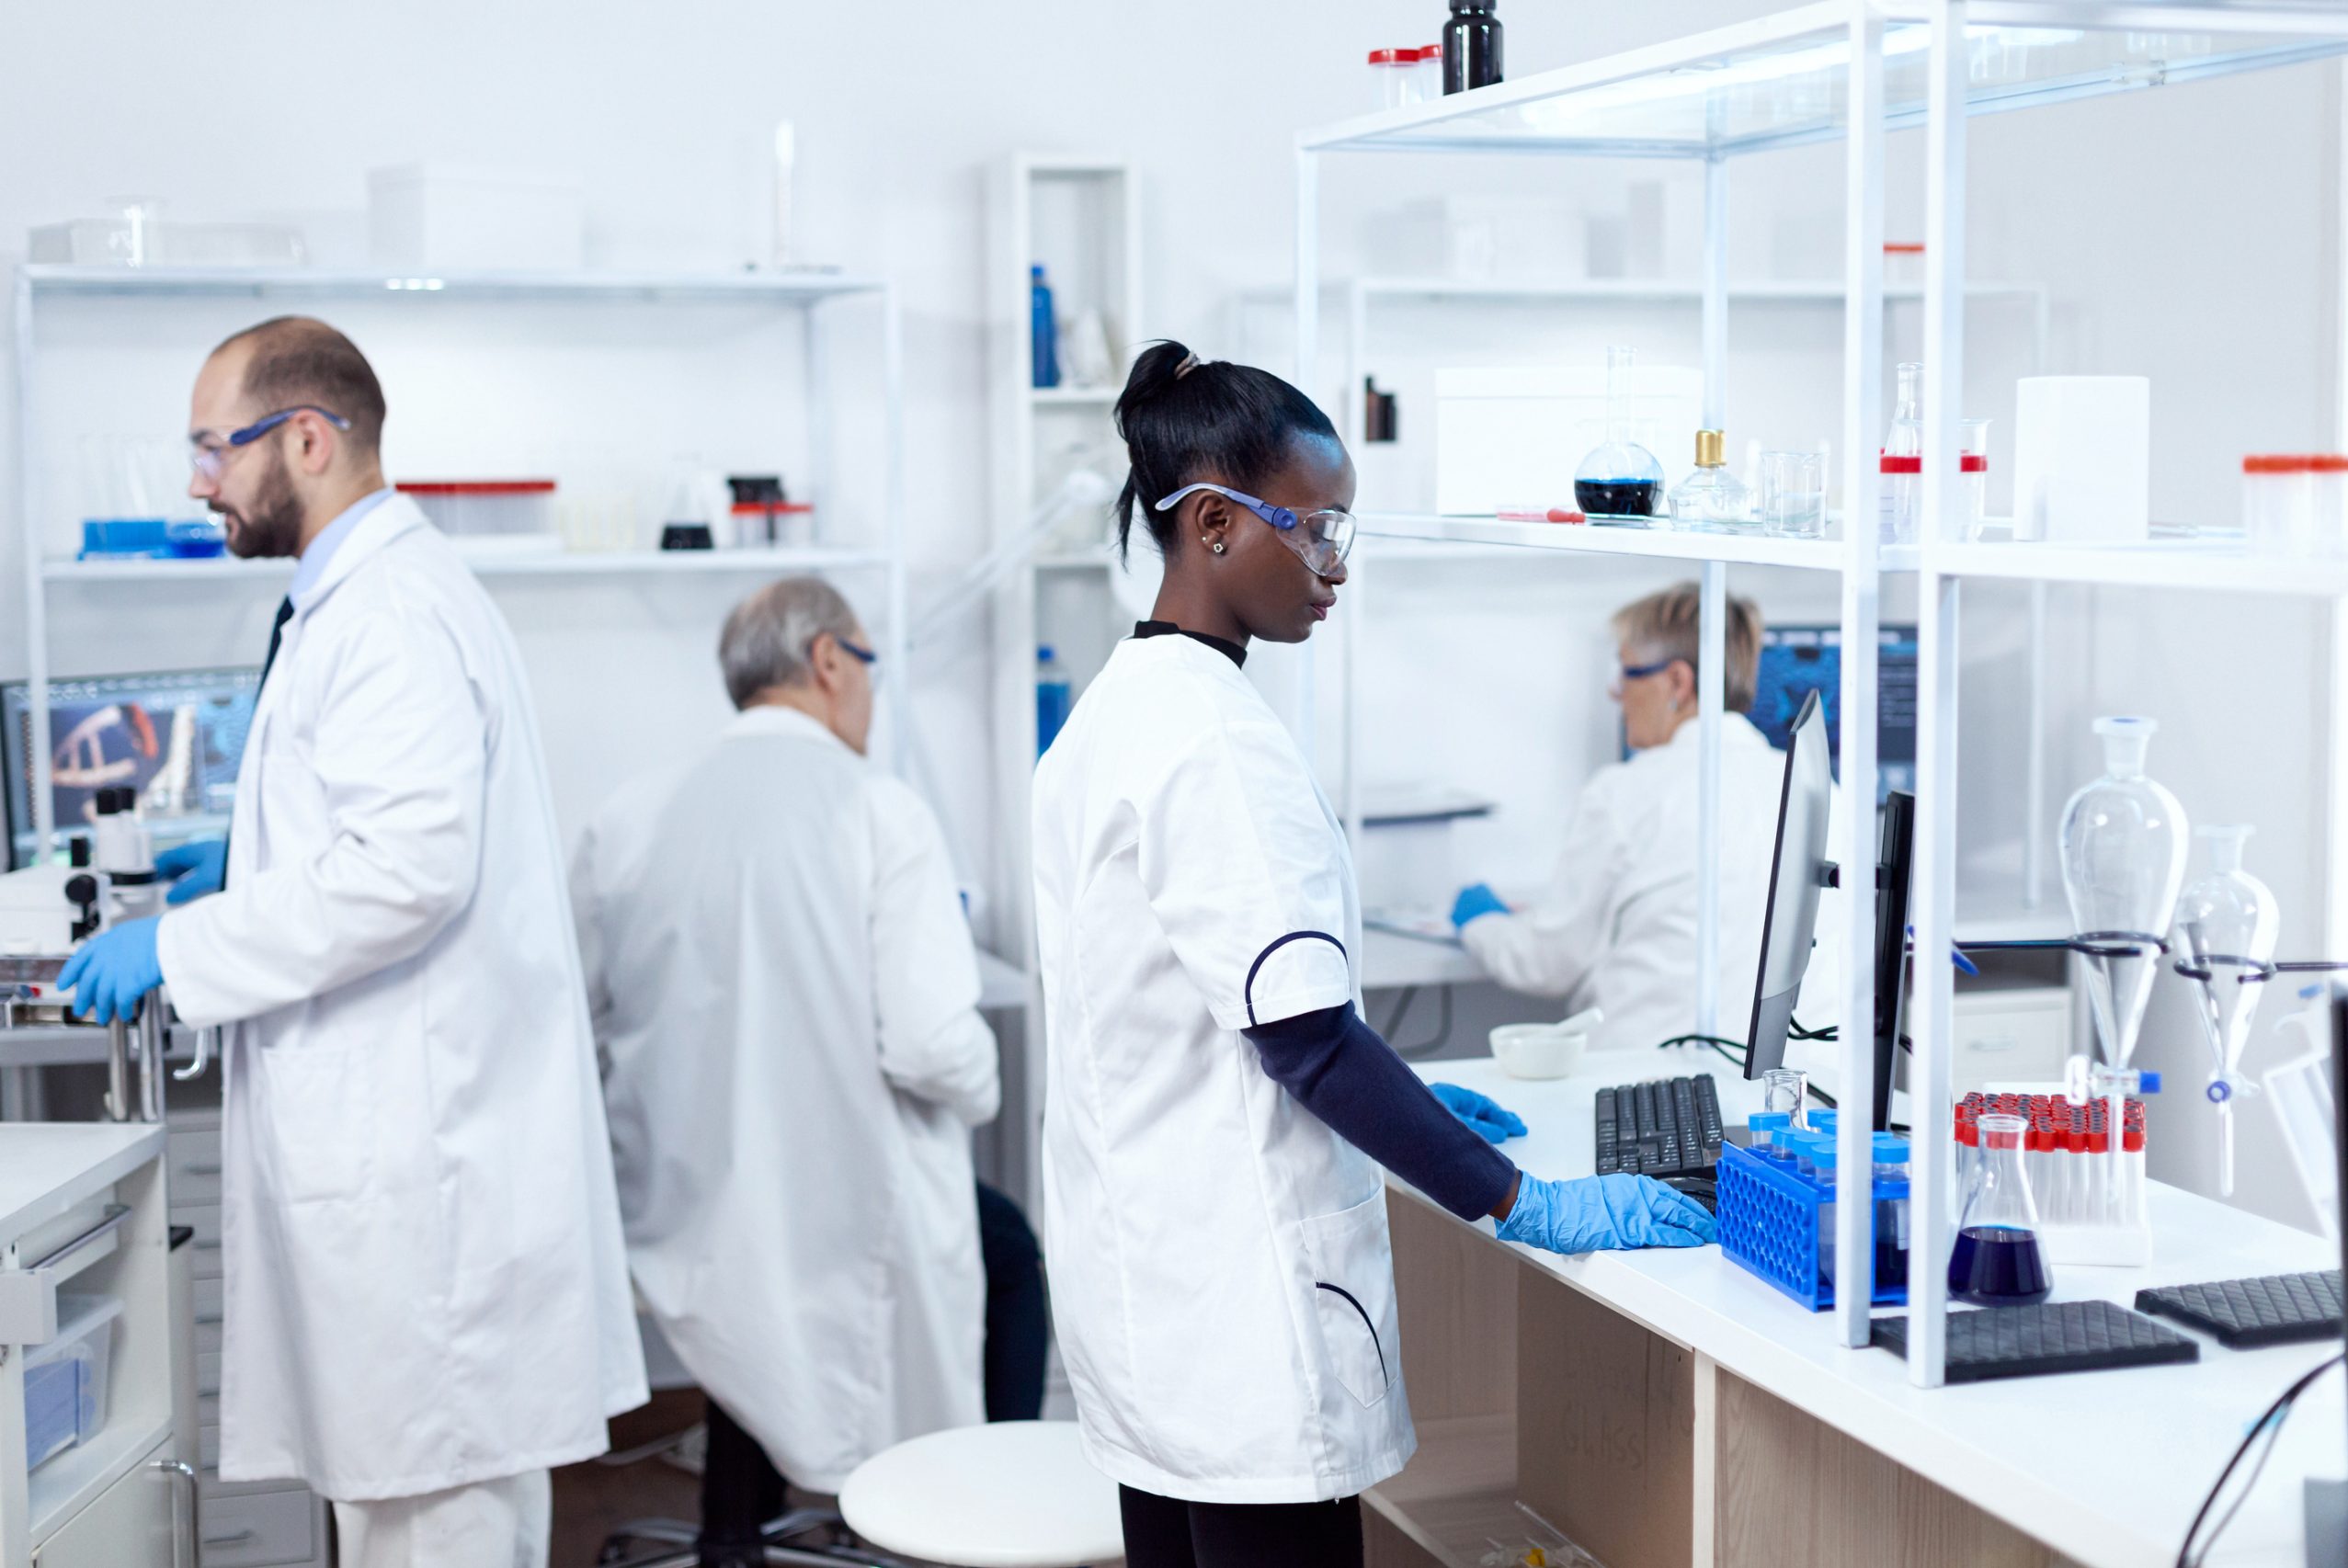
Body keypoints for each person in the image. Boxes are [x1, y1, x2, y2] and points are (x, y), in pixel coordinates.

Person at [1030, 343, 1715, 1568]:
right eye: (1316, 529)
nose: (1335, 567)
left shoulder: (1117, 709)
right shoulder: (1215, 740)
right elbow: (1307, 1043)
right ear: (1215, 524)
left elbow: (1212, 1012)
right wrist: (1524, 1200)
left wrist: (1409, 1105)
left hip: (1151, 1285)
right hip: (1237, 1311)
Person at [58, 317, 646, 1568]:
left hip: (427, 1201)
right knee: (419, 1519)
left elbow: (403, 872)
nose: (199, 481)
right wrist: (242, 865)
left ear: (309, 439)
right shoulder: (360, 600)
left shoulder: (388, 614)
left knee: (436, 1526)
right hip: (409, 1181)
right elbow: (381, 831)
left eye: (215, 447)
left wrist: (182, 942)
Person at [571, 577, 1044, 1568]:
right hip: (829, 1216)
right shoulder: (877, 809)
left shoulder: (626, 816)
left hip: (672, 1214)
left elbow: (581, 1019)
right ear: (830, 660)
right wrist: (985, 1087)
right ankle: (998, 1526)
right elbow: (931, 1046)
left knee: (750, 1287)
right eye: (870, 663)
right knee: (1010, 1251)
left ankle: (732, 1536)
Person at [1449, 584, 1789, 1052]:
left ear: (1677, 682)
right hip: (1790, 1082)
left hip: (1651, 1073)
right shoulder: (1813, 788)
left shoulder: (1625, 792)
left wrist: (1480, 921)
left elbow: (1546, 964)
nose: (1616, 692)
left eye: (1627, 672)